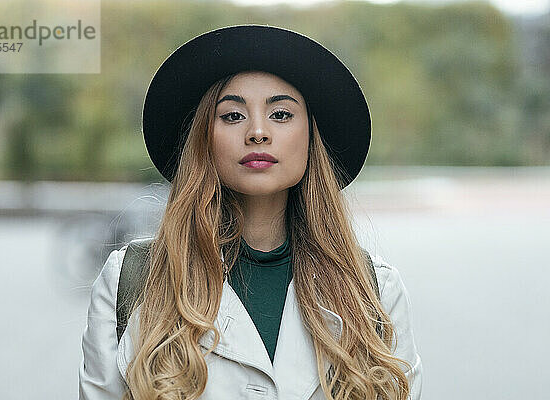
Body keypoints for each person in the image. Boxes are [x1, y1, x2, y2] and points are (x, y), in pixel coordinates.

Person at [78, 24, 423, 400]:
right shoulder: (131, 279)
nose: (258, 132)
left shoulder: (375, 291)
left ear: (311, 135)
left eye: (280, 114)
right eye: (232, 116)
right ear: (202, 138)